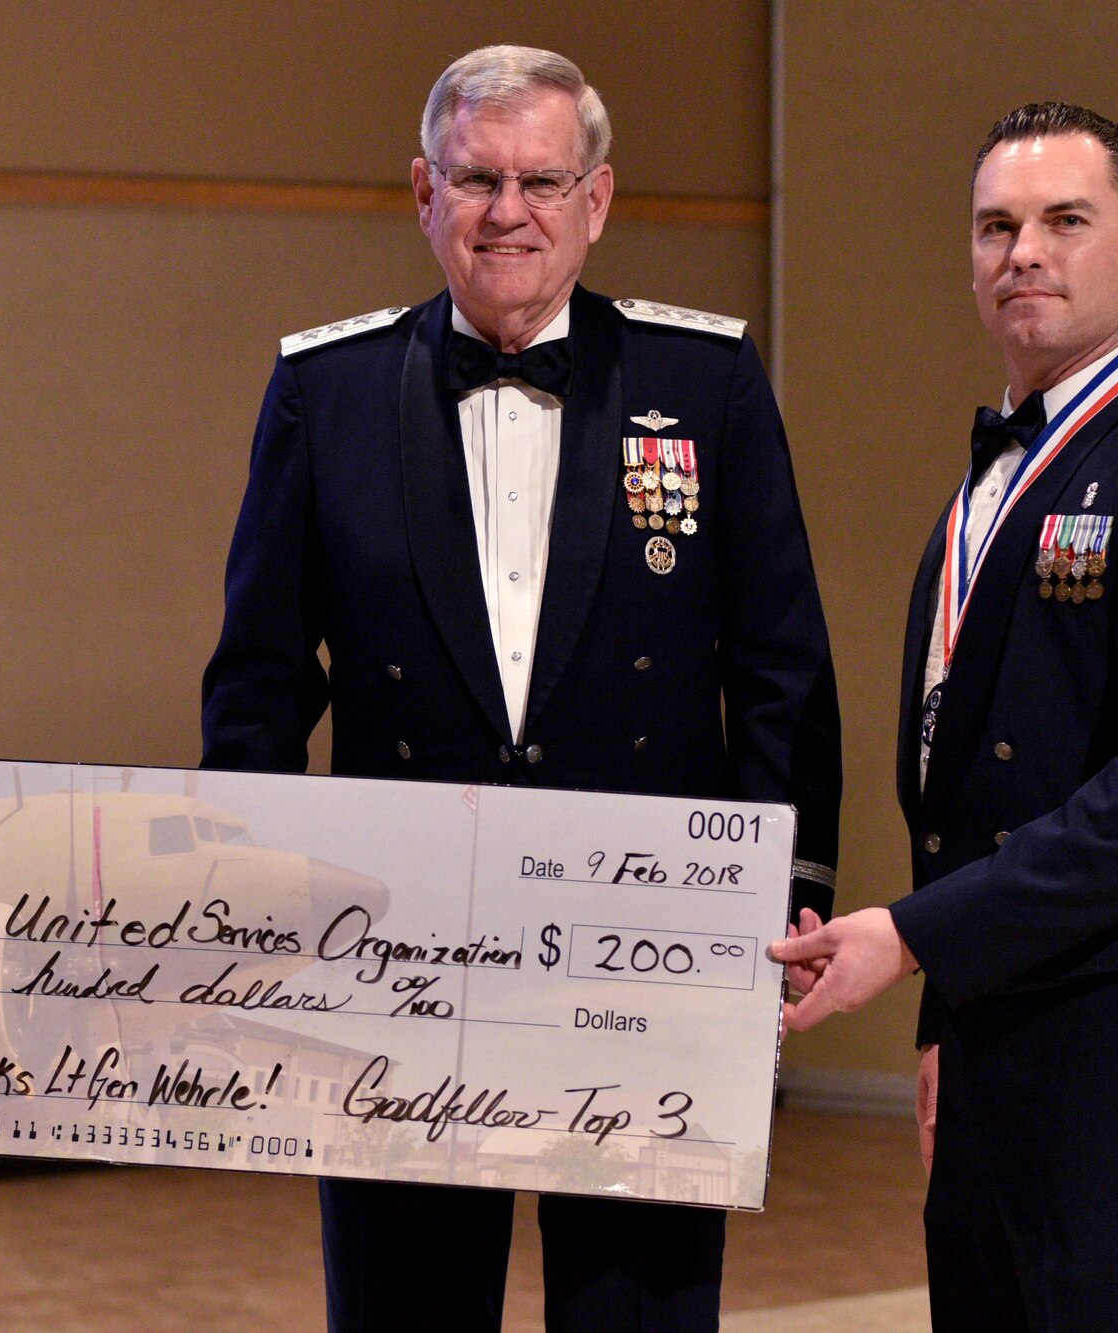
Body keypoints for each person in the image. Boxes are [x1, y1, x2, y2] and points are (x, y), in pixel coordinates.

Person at [202, 44, 840, 1332]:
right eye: (476, 179)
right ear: (422, 195)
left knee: (638, 1310)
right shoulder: (322, 392)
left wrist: (785, 907)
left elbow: (779, 668)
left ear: (595, 201)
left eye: (540, 180)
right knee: (404, 1305)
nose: (508, 213)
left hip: (644, 953)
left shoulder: (700, 383)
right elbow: (261, 679)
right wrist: (248, 901)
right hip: (395, 961)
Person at [769, 104, 1118, 1330]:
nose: (1023, 251)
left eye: (1066, 220)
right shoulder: (988, 484)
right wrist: (945, 1013)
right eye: (994, 226)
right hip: (995, 1032)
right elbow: (965, 804)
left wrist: (909, 939)